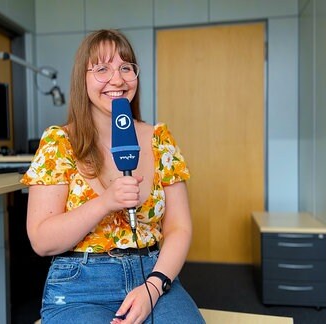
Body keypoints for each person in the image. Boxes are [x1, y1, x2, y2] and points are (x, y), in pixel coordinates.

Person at [20, 29, 205, 324]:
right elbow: (42, 241)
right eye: (102, 68)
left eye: (125, 67)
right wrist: (105, 202)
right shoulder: (59, 142)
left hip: (154, 274)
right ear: (83, 78)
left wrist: (153, 288)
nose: (117, 79)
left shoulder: (160, 138)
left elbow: (179, 228)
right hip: (80, 284)